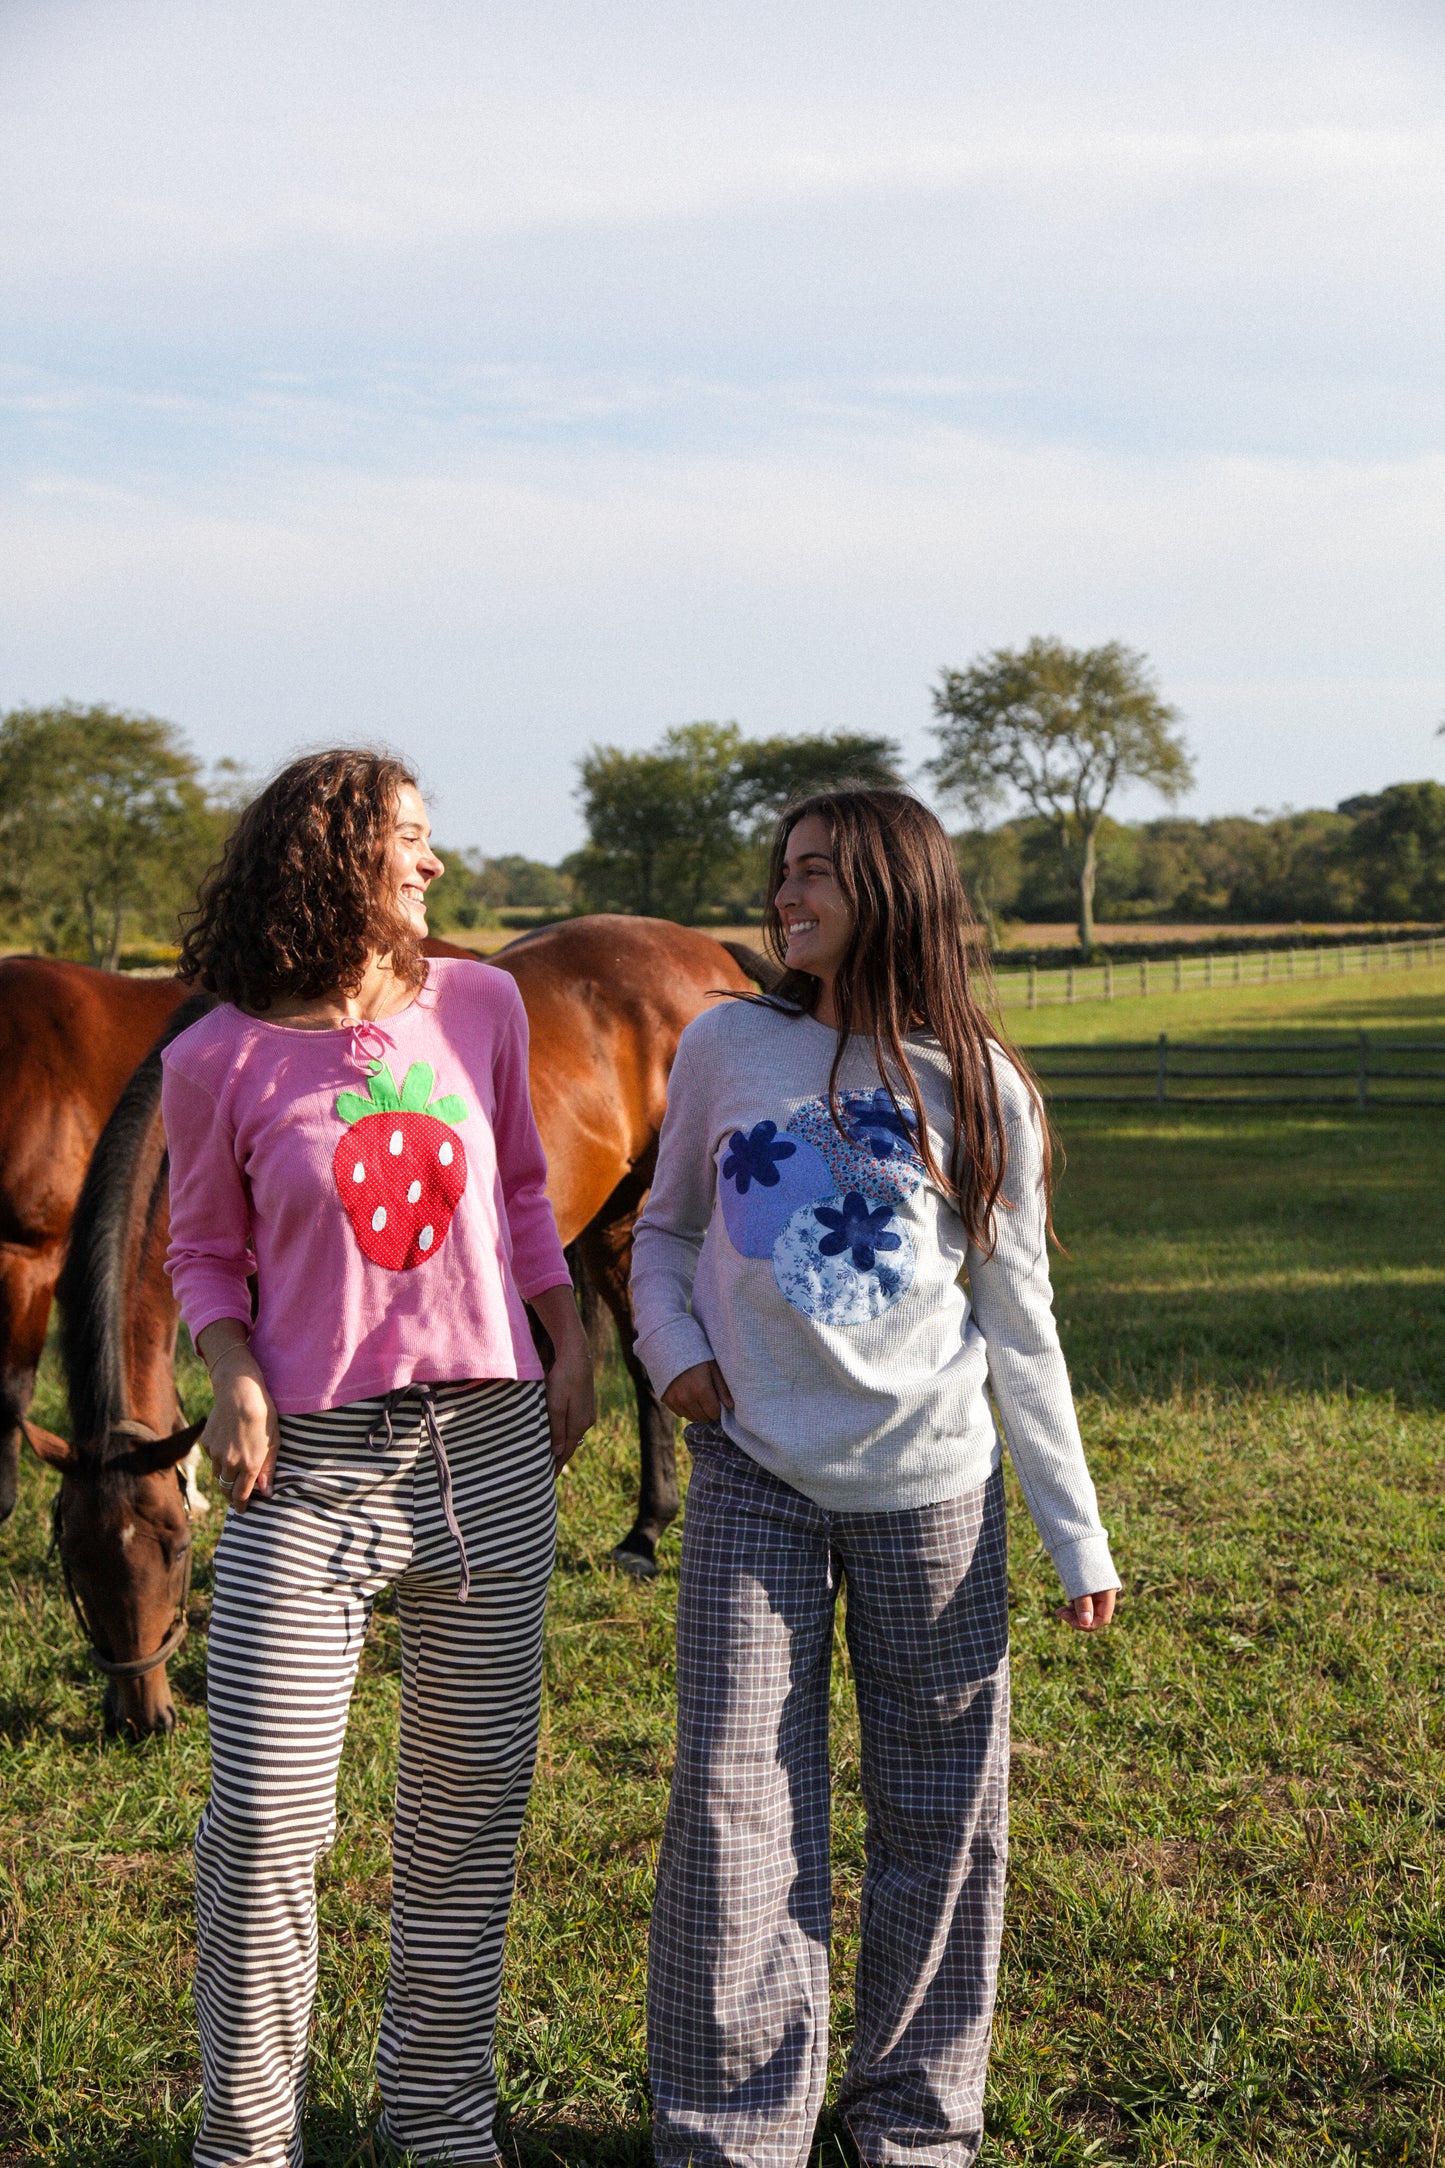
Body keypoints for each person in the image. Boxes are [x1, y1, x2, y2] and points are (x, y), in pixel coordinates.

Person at [631, 786, 1120, 2168]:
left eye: (819, 877)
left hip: (932, 1498)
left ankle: (911, 2122)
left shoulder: (980, 1086)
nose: (787, 897)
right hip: (748, 1479)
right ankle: (734, 2129)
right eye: (782, 872)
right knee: (733, 1813)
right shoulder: (726, 1045)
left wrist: (1074, 1537)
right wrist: (670, 1352)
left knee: (940, 1821)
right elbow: (660, 1233)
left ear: (893, 892)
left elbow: (1019, 1323)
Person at [162, 749, 593, 2168]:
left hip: (487, 1447)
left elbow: (526, 1194)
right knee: (270, 1826)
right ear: (333, 858)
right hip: (311, 1468)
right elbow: (203, 1252)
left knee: (466, 1819)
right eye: (410, 839)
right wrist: (228, 1377)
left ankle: (436, 2123)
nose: (435, 863)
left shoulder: (479, 1004)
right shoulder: (212, 1057)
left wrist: (568, 1336)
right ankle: (247, 2137)